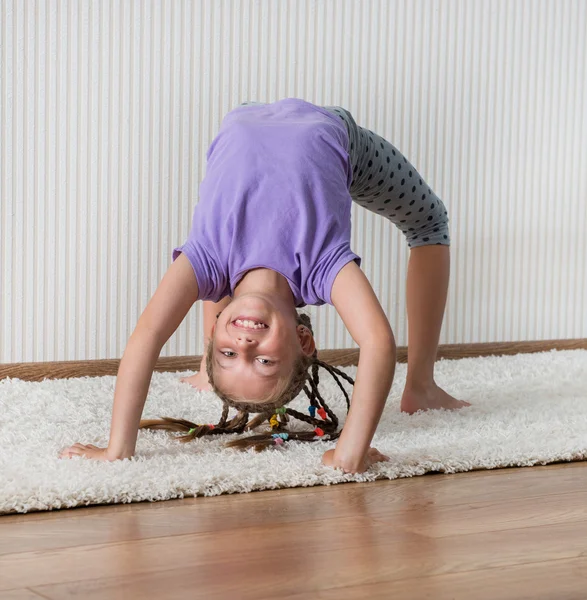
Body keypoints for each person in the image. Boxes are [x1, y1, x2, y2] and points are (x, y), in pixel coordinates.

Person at [59, 98, 469, 473]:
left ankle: (208, 370)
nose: (247, 346)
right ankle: (421, 386)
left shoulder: (206, 261)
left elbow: (147, 336)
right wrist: (349, 453)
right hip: (335, 132)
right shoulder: (321, 268)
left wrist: (118, 448)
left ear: (216, 324)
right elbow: (378, 342)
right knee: (429, 222)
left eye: (228, 353)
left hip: (246, 116)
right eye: (265, 362)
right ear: (303, 340)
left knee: (211, 279)